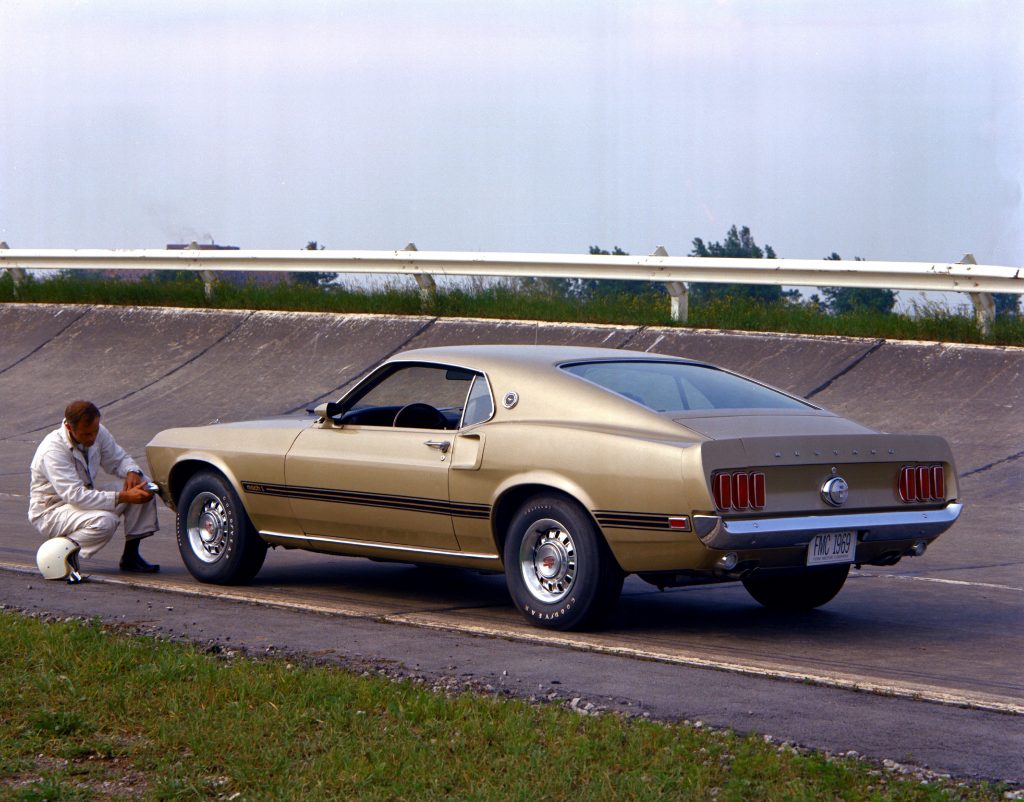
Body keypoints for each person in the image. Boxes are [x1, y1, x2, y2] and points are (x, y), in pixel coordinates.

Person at [29, 400, 160, 574]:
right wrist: (124, 497)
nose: (92, 438)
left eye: (95, 431)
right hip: (52, 511)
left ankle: (131, 557)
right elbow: (75, 496)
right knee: (105, 522)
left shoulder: (97, 431)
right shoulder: (53, 450)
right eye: (86, 434)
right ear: (69, 428)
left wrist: (132, 471)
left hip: (81, 500)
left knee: (144, 484)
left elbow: (118, 459)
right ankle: (57, 554)